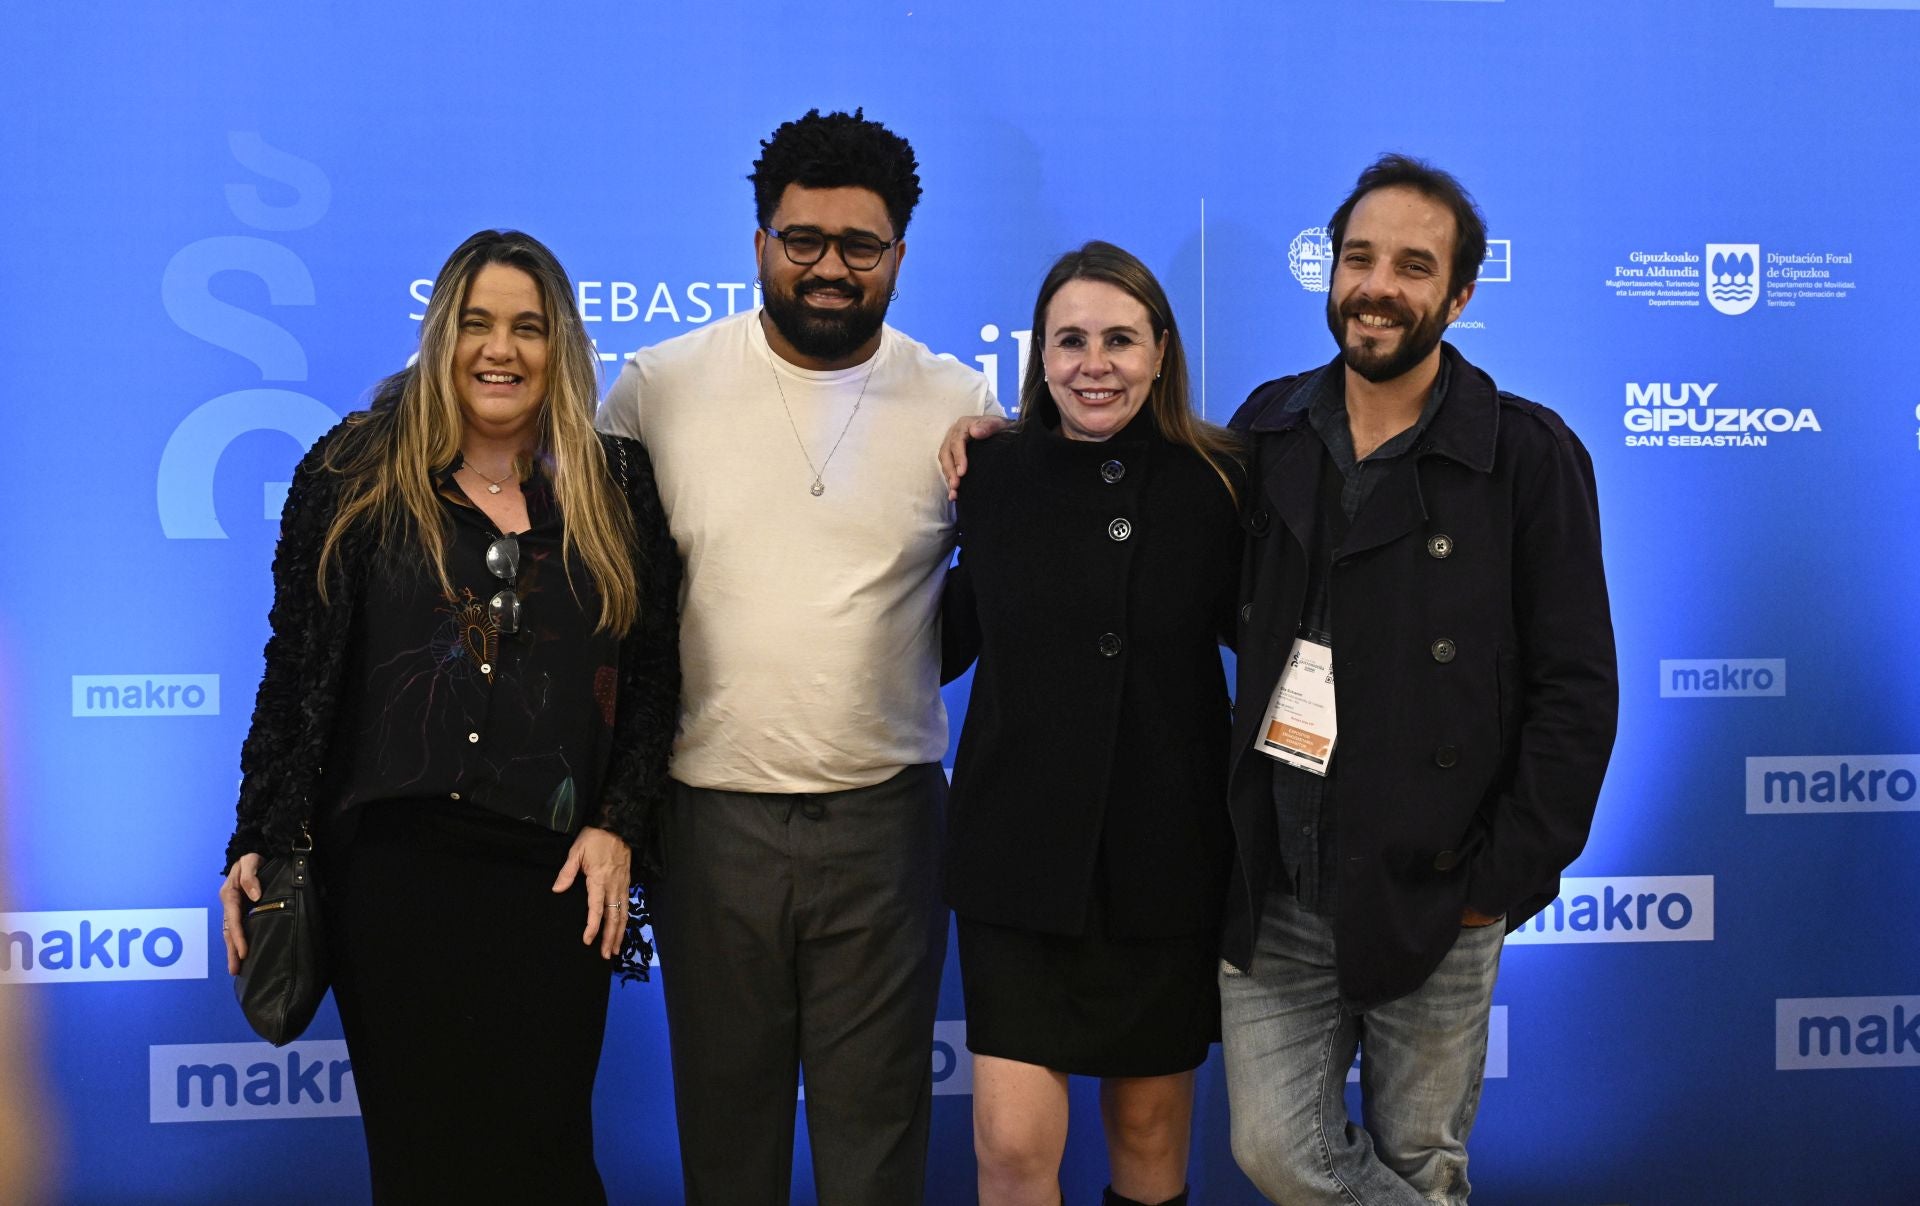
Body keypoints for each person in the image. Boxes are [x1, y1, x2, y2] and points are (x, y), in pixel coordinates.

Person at [219, 229, 680, 1204]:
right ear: (441, 339)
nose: (499, 350)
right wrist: (259, 836)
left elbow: (652, 687)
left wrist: (618, 827)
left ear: (562, 349)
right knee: (424, 1167)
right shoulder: (352, 474)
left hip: (554, 885)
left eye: (527, 327)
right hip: (391, 881)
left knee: (550, 1163)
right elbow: (294, 671)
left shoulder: (617, 488)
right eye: (475, 324)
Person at [594, 108, 998, 1205]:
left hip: (888, 820)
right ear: (759, 243)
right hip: (706, 816)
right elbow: (599, 605)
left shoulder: (961, 402)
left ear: (900, 256)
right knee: (728, 1141)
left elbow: (1008, 603)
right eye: (802, 240)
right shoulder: (654, 388)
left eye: (859, 246)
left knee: (878, 1146)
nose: (829, 268)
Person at [1218, 155, 1618, 1204]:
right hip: (1280, 886)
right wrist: (1002, 442)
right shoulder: (1269, 429)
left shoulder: (1525, 456)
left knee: (1419, 1162)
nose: (1377, 287)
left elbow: (1578, 691)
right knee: (1276, 1151)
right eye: (1359, 258)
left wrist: (1494, 886)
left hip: (1436, 887)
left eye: (1411, 265)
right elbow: (1160, 537)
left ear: (1458, 294)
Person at [941, 243, 1241, 1206]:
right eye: (1069, 341)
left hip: (1166, 860)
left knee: (1150, 1137)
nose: (1093, 363)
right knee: (1012, 1145)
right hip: (1016, 861)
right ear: (1041, 357)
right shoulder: (989, 473)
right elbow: (944, 636)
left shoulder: (1223, 482)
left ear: (1161, 350)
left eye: (1119, 338)